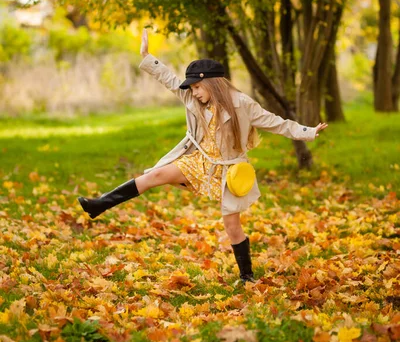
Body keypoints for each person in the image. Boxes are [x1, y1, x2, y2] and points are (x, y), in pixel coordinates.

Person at [78, 29, 328, 284]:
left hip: (229, 169)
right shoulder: (192, 98)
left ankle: (247, 276)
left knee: (232, 226)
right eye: (193, 88)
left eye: (198, 87)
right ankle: (100, 204)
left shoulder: (242, 103)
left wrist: (307, 131)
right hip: (198, 160)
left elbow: (274, 122)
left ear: (211, 83)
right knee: (157, 174)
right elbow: (169, 79)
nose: (194, 92)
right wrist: (147, 56)